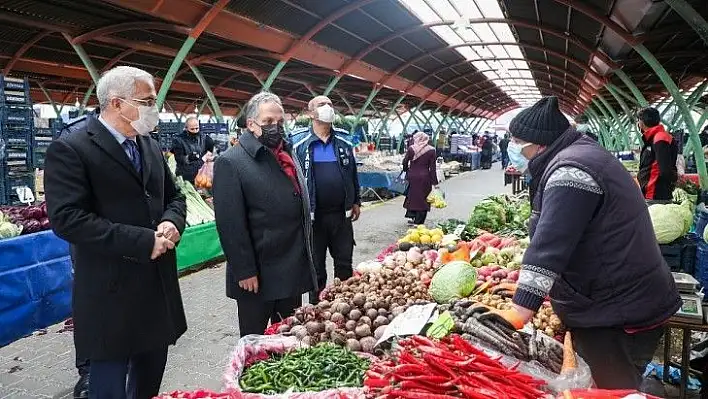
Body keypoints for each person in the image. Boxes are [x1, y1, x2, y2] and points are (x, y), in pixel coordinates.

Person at [488, 96, 680, 390]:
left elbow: (552, 242)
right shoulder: (577, 154)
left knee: (612, 391)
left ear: (539, 143)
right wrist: (542, 289)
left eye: (516, 141)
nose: (513, 148)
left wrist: (521, 308)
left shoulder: (570, 171)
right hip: (619, 299)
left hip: (618, 312)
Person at [44, 66, 188, 399]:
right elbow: (67, 218)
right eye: (147, 101)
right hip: (110, 292)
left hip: (155, 288)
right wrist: (141, 241)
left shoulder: (148, 145)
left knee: (148, 383)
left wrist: (172, 221)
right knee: (109, 386)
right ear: (116, 103)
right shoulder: (73, 147)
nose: (155, 108)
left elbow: (175, 196)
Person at [212, 92, 317, 335]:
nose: (276, 128)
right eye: (268, 122)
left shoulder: (286, 153)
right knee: (254, 343)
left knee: (288, 338)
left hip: (290, 268)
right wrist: (244, 269)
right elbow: (230, 224)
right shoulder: (232, 162)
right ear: (251, 125)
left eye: (280, 122)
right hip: (258, 274)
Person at [290, 95, 361, 304]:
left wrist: (356, 200)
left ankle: (346, 304)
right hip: (314, 220)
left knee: (344, 264)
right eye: (322, 105)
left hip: (341, 216)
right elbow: (291, 178)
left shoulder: (344, 140)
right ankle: (317, 307)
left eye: (330, 104)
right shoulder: (299, 144)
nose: (328, 107)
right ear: (311, 113)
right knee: (317, 268)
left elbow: (352, 173)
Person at [636, 107, 678, 201]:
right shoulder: (654, 137)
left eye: (638, 120)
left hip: (655, 194)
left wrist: (669, 185)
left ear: (642, 122)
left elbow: (665, 169)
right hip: (651, 192)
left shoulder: (660, 138)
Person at [402, 132, 438, 225]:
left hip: (413, 175)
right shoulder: (431, 150)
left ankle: (412, 216)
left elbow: (405, 161)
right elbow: (433, 168)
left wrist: (406, 170)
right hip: (425, 177)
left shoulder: (411, 148)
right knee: (423, 198)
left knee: (413, 196)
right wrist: (434, 182)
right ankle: (419, 221)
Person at [171, 116, 215, 184]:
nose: (195, 131)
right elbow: (180, 160)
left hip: (201, 177)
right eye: (192, 129)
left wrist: (209, 157)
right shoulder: (178, 140)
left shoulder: (205, 139)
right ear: (186, 128)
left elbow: (211, 154)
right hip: (185, 177)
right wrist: (189, 157)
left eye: (197, 128)